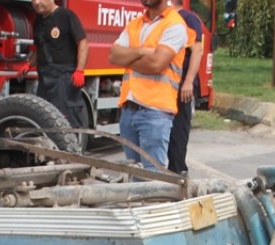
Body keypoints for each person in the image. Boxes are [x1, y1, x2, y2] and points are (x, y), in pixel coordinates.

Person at [108, 0, 189, 172]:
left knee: (153, 176)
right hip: (129, 110)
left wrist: (128, 58)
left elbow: (155, 64)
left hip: (155, 111)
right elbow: (114, 56)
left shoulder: (175, 24)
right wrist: (141, 52)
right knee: (133, 171)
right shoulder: (135, 24)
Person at [30, 0, 88, 131]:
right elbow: (38, 47)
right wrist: (28, 64)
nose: (37, 3)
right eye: (34, 0)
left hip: (64, 77)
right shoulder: (38, 21)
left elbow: (82, 43)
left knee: (66, 118)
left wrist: (79, 70)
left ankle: (72, 148)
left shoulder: (66, 16)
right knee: (45, 117)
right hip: (45, 77)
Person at [167, 2, 204, 175]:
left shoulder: (189, 19)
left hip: (183, 86)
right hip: (168, 84)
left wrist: (188, 81)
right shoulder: (166, 19)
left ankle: (178, 171)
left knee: (178, 132)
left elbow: (197, 51)